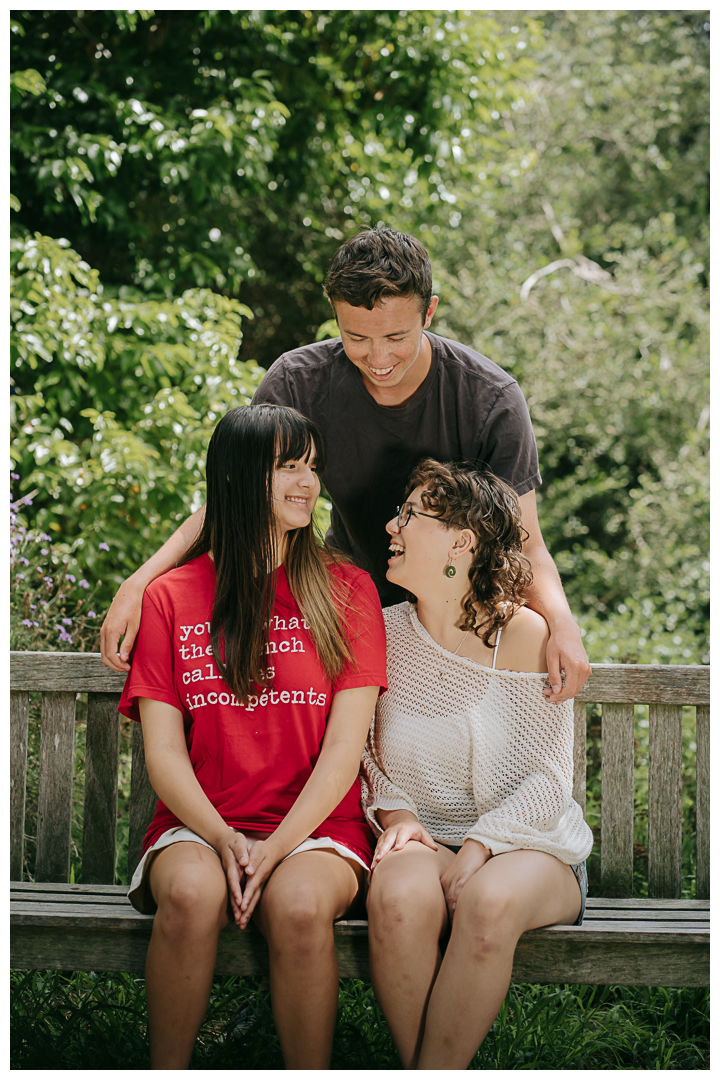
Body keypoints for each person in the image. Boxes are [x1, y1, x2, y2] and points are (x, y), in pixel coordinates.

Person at [101, 227, 589, 703]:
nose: (378, 358)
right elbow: (237, 505)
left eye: (396, 336)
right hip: (342, 608)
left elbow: (524, 541)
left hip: (459, 626)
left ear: (430, 312)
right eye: (356, 337)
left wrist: (561, 625)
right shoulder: (298, 383)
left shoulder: (490, 399)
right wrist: (140, 582)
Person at [118, 404, 386, 1070]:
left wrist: (275, 850)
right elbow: (164, 752)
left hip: (319, 830)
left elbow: (343, 754)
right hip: (199, 823)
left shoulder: (348, 591)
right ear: (237, 480)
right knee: (188, 893)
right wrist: (223, 838)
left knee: (297, 905)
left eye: (312, 467)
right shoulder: (172, 597)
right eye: (287, 467)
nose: (308, 484)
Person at [361, 458, 593, 1070]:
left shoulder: (525, 636)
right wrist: (400, 815)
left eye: (409, 515)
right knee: (399, 895)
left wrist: (481, 847)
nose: (391, 525)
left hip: (531, 849)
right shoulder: (381, 634)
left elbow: (548, 781)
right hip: (424, 836)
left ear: (461, 541)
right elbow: (361, 753)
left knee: (487, 902)